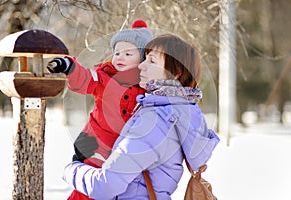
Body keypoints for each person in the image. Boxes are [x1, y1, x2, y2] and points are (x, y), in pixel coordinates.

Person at [63, 33, 220, 199]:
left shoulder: (155, 121)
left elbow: (106, 185)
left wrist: (72, 168)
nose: (141, 66)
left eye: (151, 61)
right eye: (144, 59)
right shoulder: (180, 113)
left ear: (176, 73)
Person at [47, 20, 153, 200]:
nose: (119, 57)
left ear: (142, 59)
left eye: (128, 53)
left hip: (126, 153)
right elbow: (86, 79)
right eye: (117, 52)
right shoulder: (104, 77)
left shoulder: (149, 86)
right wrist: (69, 67)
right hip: (97, 145)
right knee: (88, 190)